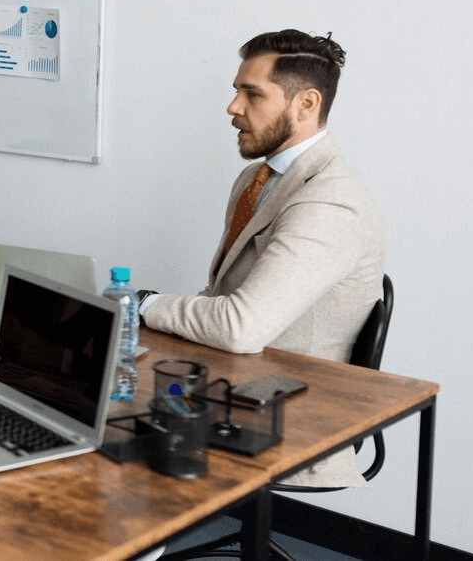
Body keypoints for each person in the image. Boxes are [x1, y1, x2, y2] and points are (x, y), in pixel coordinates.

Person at [140, 30, 384, 487]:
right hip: (234, 378)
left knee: (126, 439)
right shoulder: (257, 178)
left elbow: (239, 325)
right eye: (236, 90)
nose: (233, 107)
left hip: (291, 412)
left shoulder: (330, 203)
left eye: (252, 94)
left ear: (306, 104)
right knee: (98, 397)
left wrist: (145, 303)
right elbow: (220, 297)